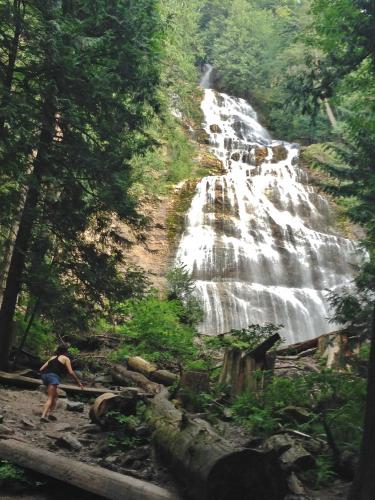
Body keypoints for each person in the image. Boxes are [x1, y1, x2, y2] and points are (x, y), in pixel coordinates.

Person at [39, 343, 84, 422]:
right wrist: (78, 382)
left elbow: (41, 369)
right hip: (53, 378)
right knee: (50, 398)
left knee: (55, 396)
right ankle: (43, 416)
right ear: (66, 351)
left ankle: (50, 414)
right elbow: (71, 372)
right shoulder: (66, 358)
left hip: (45, 377)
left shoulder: (52, 357)